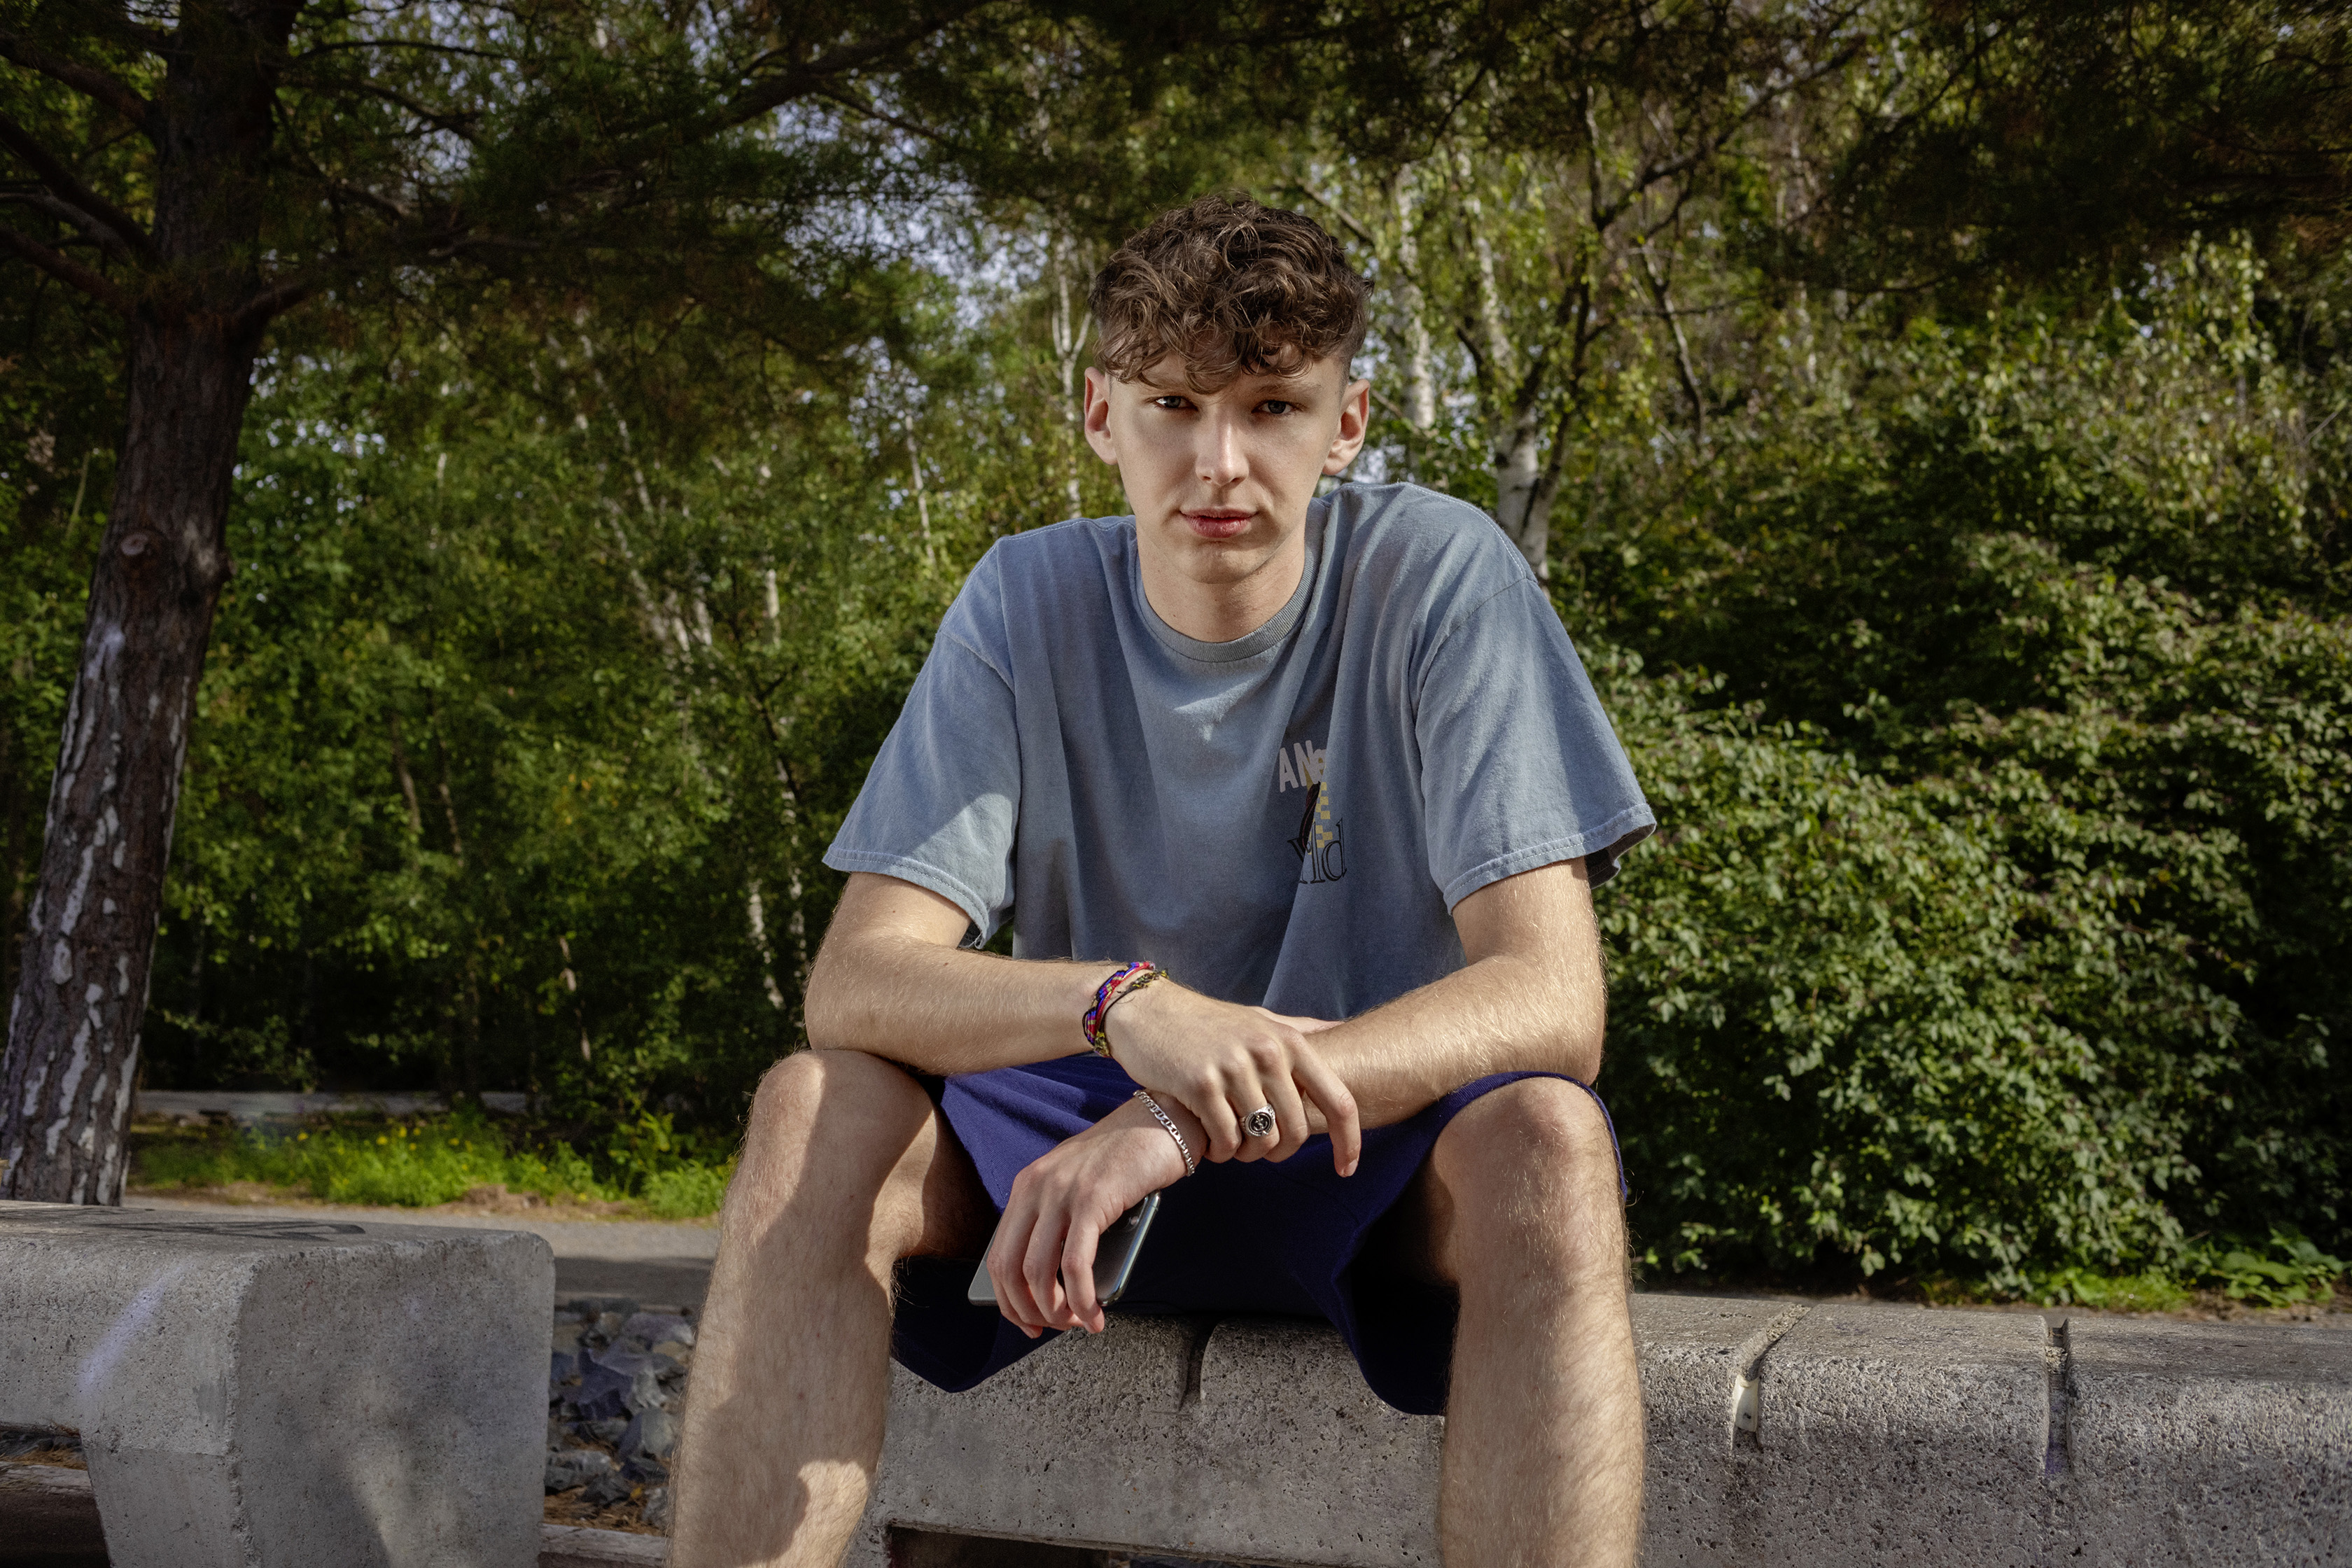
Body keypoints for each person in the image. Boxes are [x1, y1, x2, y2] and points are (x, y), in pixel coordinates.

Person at [669, 193, 1655, 1568]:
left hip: (1361, 1150)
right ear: (1099, 415)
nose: (1222, 462)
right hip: (1070, 1169)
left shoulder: (1442, 577)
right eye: (1175, 405)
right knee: (808, 1104)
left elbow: (1554, 998)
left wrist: (1183, 1117)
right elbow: (857, 981)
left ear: (1348, 425)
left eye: (1271, 407)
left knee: (1551, 1137)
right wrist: (1126, 1004)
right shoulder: (1022, 600)